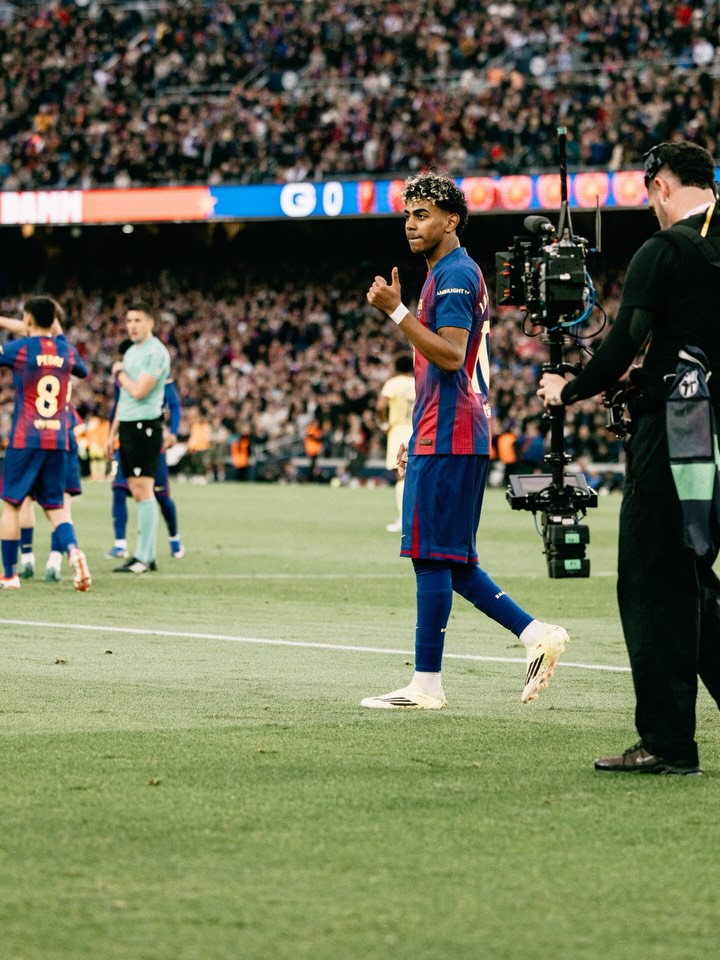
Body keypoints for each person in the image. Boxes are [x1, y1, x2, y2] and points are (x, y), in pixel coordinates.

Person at [538, 141, 720, 775]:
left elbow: (623, 343)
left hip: (679, 433)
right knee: (694, 579)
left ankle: (667, 744)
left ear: (661, 185)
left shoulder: (666, 249)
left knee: (654, 580)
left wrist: (569, 389)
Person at [362, 170, 568, 709]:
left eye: (423, 214)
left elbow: (452, 355)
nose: (411, 224)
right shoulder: (447, 272)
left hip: (452, 432)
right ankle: (535, 635)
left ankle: (426, 685)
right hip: (446, 429)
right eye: (407, 215)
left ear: (452, 220)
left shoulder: (455, 273)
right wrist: (417, 431)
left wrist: (396, 311)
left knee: (431, 557)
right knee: (450, 560)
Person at [0, 296, 91, 591]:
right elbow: (83, 371)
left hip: (26, 437)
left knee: (12, 504)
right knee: (55, 507)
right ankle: (73, 552)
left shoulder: (21, 349)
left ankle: (10, 575)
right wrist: (59, 337)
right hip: (59, 439)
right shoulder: (66, 351)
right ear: (54, 321)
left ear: (27, 319)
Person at [103, 302, 171, 574]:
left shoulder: (156, 352)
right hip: (129, 426)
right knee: (136, 489)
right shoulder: (131, 352)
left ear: (150, 323)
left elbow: (140, 391)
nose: (132, 326)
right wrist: (112, 433)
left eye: (137, 320)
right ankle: (147, 555)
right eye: (129, 320)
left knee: (143, 489)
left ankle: (143, 556)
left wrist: (120, 373)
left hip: (145, 425)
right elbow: (124, 399)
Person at [106, 339, 184, 562]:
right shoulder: (122, 375)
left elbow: (174, 403)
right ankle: (121, 545)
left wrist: (173, 432)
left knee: (160, 495)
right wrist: (111, 435)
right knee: (119, 489)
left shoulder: (152, 371)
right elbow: (120, 405)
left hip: (150, 437)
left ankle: (173, 539)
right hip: (127, 437)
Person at [377, 352, 415, 531]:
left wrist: (383, 423)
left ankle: (404, 520)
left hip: (399, 431)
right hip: (417, 430)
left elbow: (381, 405)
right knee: (415, 475)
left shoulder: (393, 383)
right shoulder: (418, 383)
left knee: (401, 475)